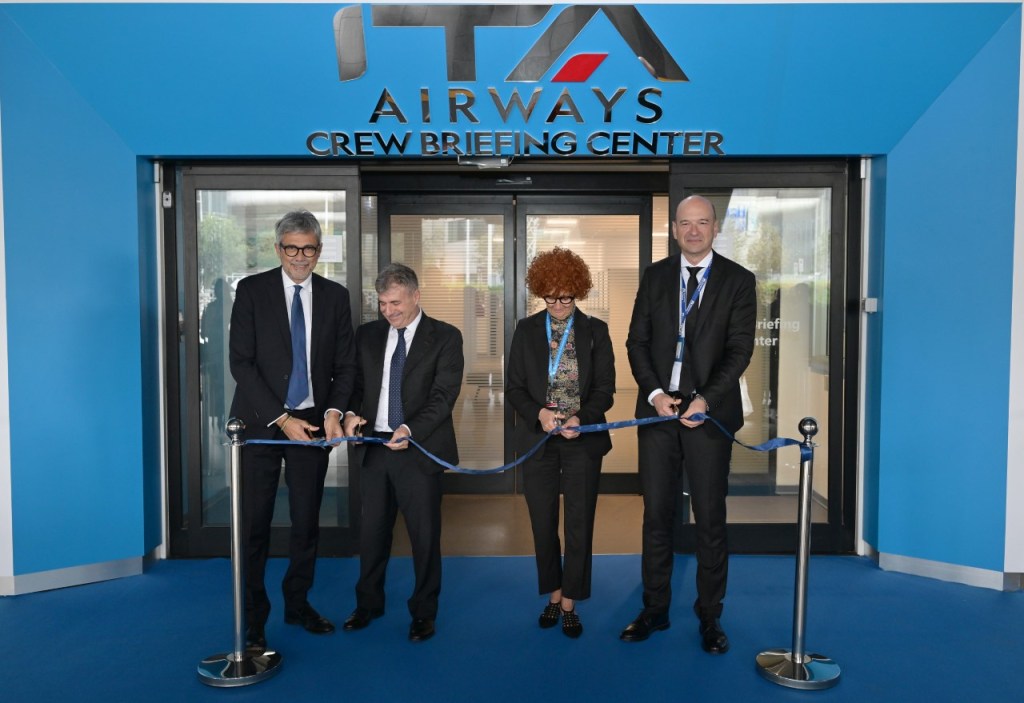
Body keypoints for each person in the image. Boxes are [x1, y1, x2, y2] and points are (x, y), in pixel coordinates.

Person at [621, 195, 756, 653]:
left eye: (702, 223)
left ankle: (710, 616)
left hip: (708, 415)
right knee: (656, 516)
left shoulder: (739, 280)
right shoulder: (655, 276)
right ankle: (654, 608)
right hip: (659, 412)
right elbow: (636, 341)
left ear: (715, 228)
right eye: (685, 223)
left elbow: (739, 350)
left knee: (710, 518)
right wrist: (655, 394)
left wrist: (704, 399)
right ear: (675, 229)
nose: (693, 231)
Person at [228, 209, 356, 653]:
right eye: (291, 248)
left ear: (319, 250)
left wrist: (334, 412)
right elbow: (241, 363)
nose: (300, 257)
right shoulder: (251, 290)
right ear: (277, 248)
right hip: (261, 425)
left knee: (306, 523)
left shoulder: (336, 296)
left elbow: (345, 365)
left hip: (314, 426)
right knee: (254, 525)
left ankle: (298, 604)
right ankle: (253, 620)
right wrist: (282, 419)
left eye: (309, 249)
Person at [342, 263, 464, 642]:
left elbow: (443, 397)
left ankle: (424, 612)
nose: (388, 311)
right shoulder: (367, 335)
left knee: (423, 538)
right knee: (372, 534)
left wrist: (410, 429)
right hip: (375, 448)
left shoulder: (445, 337)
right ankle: (368, 604)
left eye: (395, 303)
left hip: (418, 450)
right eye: (382, 303)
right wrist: (350, 414)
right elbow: (354, 384)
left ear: (416, 296)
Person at [506, 247, 615, 639]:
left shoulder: (596, 331)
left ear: (578, 291)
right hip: (539, 440)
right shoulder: (525, 330)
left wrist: (580, 419)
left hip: (581, 440)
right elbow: (514, 387)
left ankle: (570, 600)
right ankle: (553, 593)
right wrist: (540, 413)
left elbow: (605, 389)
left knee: (580, 522)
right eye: (549, 297)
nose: (557, 305)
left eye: (565, 297)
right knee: (543, 521)